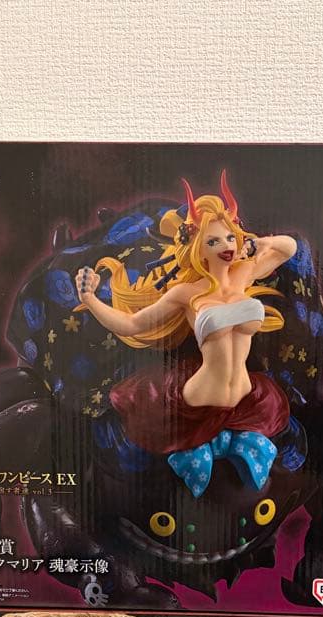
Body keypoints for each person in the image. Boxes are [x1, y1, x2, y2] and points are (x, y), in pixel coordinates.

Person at [74, 172, 298, 498]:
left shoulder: (244, 273)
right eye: (213, 241)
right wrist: (90, 299)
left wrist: (254, 243)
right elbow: (132, 324)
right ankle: (194, 451)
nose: (226, 246)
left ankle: (236, 445)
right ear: (197, 248)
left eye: (229, 238)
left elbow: (288, 247)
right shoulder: (186, 293)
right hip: (197, 400)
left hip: (246, 402)